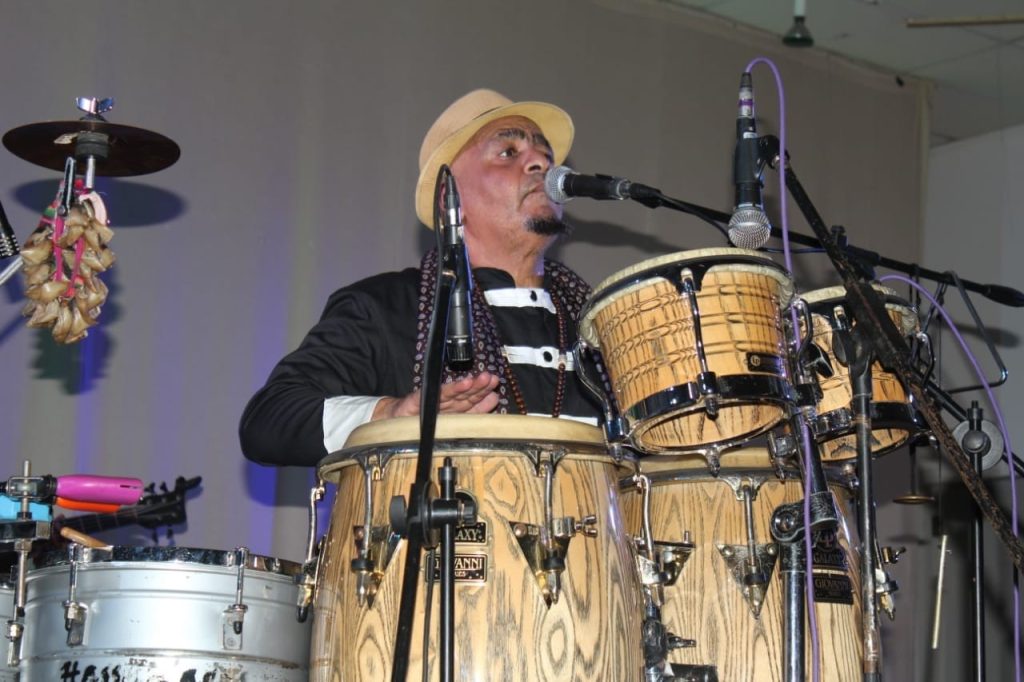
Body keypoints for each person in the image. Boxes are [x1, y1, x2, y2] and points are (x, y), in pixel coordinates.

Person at [239, 89, 604, 467]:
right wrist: (392, 415)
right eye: (508, 153)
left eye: (546, 156)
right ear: (451, 194)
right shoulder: (387, 307)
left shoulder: (602, 328)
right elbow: (268, 420)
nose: (540, 165)